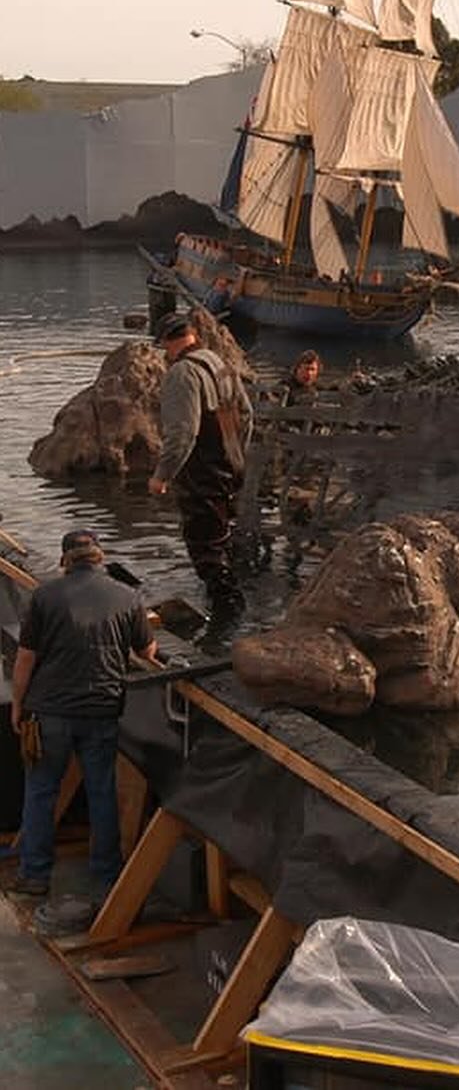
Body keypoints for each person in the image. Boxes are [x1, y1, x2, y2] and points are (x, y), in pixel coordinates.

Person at [10, 530, 157, 897]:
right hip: (102, 710)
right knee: (102, 792)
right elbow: (148, 650)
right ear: (100, 558)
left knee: (41, 791)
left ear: (64, 562)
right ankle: (107, 876)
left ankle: (35, 876)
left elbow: (25, 659)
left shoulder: (44, 596)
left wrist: (18, 706)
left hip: (49, 712)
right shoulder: (127, 596)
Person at [148, 312, 253, 618]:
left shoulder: (182, 374)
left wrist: (162, 475)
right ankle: (229, 605)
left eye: (164, 348)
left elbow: (183, 433)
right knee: (223, 538)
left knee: (205, 547)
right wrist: (236, 456)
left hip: (202, 473)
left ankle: (228, 618)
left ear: (169, 342)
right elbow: (246, 415)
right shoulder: (219, 364)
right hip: (232, 468)